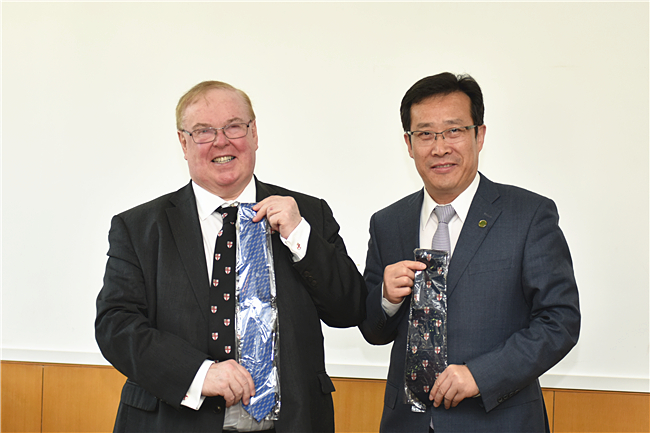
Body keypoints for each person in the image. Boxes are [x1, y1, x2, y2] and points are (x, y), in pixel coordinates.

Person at [95, 81, 367, 433]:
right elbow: (116, 326)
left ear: (254, 134)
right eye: (203, 131)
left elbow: (350, 310)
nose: (221, 141)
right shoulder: (139, 227)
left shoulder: (308, 214)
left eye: (234, 126)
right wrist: (198, 373)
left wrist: (300, 237)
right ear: (183, 143)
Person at [360, 72, 580, 432]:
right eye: (425, 134)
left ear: (479, 135)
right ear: (409, 143)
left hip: (500, 421)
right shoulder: (388, 223)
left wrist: (481, 374)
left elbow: (560, 321)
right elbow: (373, 330)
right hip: (407, 423)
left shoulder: (528, 215)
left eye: (453, 130)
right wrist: (386, 298)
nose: (440, 147)